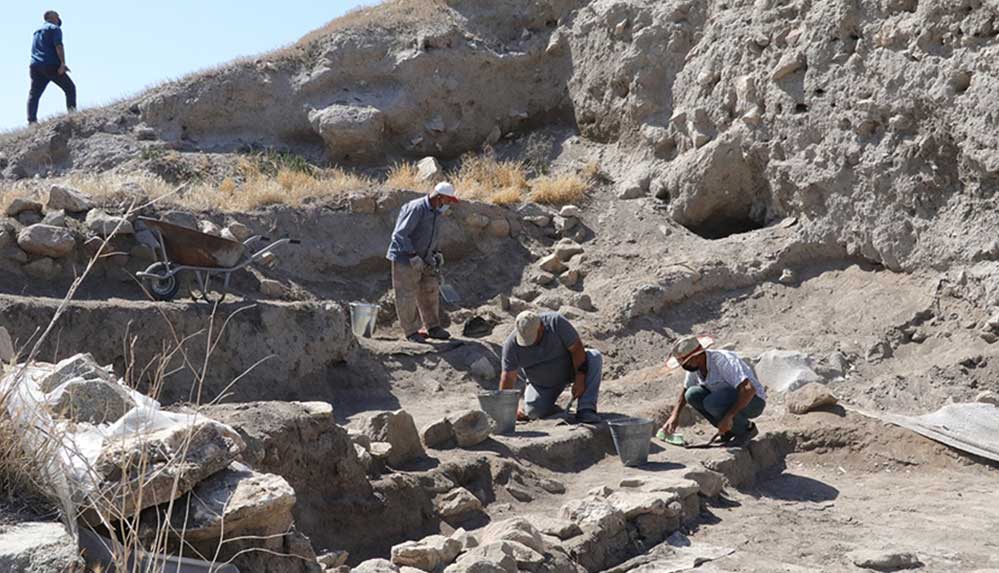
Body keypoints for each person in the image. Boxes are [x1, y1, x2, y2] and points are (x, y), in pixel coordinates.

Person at [386, 182, 459, 343]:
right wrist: (412, 255)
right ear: (439, 197)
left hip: (426, 258)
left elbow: (432, 235)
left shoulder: (436, 212)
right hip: (405, 258)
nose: (448, 204)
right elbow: (399, 235)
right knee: (407, 294)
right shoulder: (416, 208)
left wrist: (437, 253)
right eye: (448, 200)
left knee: (430, 289)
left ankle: (433, 327)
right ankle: (411, 331)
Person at [498, 310, 602, 424]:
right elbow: (508, 377)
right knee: (534, 412)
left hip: (569, 368)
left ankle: (586, 409)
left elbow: (577, 348)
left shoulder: (556, 322)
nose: (530, 343)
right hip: (542, 384)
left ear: (541, 327)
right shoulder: (511, 345)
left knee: (593, 357)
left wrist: (580, 378)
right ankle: (553, 409)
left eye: (533, 337)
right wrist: (507, 411)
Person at [660, 335, 766, 447]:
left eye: (685, 363)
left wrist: (729, 416)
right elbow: (686, 389)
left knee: (712, 403)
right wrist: (674, 416)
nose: (684, 367)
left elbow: (748, 389)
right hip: (727, 398)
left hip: (753, 401)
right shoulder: (695, 366)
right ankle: (729, 431)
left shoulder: (723, 361)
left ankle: (747, 429)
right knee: (692, 395)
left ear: (696, 357)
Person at [28, 10, 76, 125]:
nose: (58, 18)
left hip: (35, 66)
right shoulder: (54, 29)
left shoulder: (36, 32)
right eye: (57, 16)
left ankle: (32, 121)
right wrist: (62, 63)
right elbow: (58, 45)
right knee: (70, 88)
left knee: (34, 94)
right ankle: (73, 115)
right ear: (51, 17)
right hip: (50, 65)